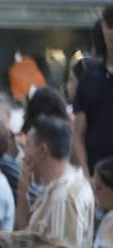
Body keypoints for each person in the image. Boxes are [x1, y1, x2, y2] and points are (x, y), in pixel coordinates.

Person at [17, 115, 95, 248]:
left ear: (43, 150)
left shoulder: (63, 199)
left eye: (28, 145)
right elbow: (24, 235)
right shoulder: (60, 186)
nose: (24, 154)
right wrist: (22, 192)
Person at [72, 4, 113, 174]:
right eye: (110, 26)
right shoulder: (89, 77)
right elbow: (78, 135)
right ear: (103, 27)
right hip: (98, 179)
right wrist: (87, 176)